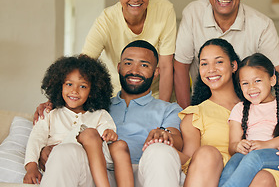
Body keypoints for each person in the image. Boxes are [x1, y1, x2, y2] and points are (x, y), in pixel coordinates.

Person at [34, 40, 184, 187]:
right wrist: (46, 147)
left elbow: (177, 139)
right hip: (98, 172)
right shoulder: (94, 104)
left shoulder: (169, 109)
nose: (134, 70)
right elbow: (67, 119)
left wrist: (165, 135)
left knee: (161, 150)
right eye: (128, 63)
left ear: (156, 72)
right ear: (118, 67)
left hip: (146, 172)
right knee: (64, 151)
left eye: (144, 65)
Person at [177, 38, 279, 187]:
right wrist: (165, 146)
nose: (211, 69)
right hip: (218, 175)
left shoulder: (268, 103)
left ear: (234, 66)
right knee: (218, 155)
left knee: (262, 176)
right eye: (204, 63)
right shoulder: (197, 114)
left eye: (219, 62)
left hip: (266, 170)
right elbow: (189, 161)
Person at [23, 55, 134, 187]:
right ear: (60, 86)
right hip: (61, 160)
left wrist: (109, 133)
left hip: (92, 164)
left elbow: (108, 130)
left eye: (82, 86)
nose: (74, 91)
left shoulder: (99, 114)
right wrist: (31, 167)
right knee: (89, 134)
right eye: (69, 84)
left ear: (92, 91)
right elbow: (36, 139)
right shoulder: (50, 114)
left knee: (116, 144)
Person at [82, 0, 176, 101]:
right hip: (116, 94)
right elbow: (84, 64)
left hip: (154, 94)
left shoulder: (164, 10)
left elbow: (166, 66)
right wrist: (56, 100)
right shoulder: (106, 20)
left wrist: (161, 109)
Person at [218, 53, 279, 187]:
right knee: (234, 161)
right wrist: (238, 146)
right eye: (245, 83)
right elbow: (232, 146)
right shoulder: (239, 109)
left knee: (255, 157)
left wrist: (265, 144)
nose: (251, 87)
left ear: (272, 80)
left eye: (257, 80)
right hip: (250, 157)